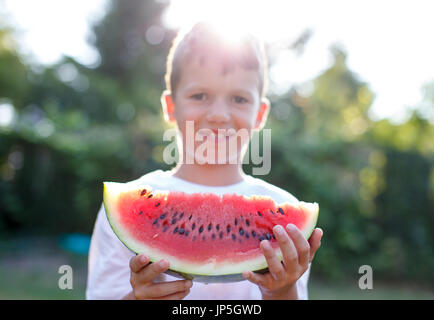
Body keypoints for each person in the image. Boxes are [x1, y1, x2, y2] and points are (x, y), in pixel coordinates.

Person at [86, 21, 323, 300]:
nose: (219, 114)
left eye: (238, 98)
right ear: (170, 107)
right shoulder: (117, 210)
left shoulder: (286, 223)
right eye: (200, 96)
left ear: (259, 114)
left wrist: (283, 291)